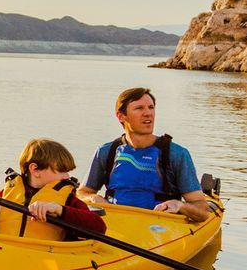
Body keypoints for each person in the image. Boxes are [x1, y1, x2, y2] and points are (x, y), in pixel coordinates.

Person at [78, 86, 212, 222]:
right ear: (121, 116)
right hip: (116, 222)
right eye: (139, 108)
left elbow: (202, 210)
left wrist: (180, 205)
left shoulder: (176, 154)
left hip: (160, 226)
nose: (148, 113)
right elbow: (82, 192)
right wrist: (92, 198)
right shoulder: (106, 152)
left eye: (151, 107)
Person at [0, 138, 107, 239]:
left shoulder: (68, 199)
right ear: (35, 169)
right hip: (8, 259)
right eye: (61, 170)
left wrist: (59, 210)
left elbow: (99, 228)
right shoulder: (6, 195)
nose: (67, 177)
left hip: (45, 263)